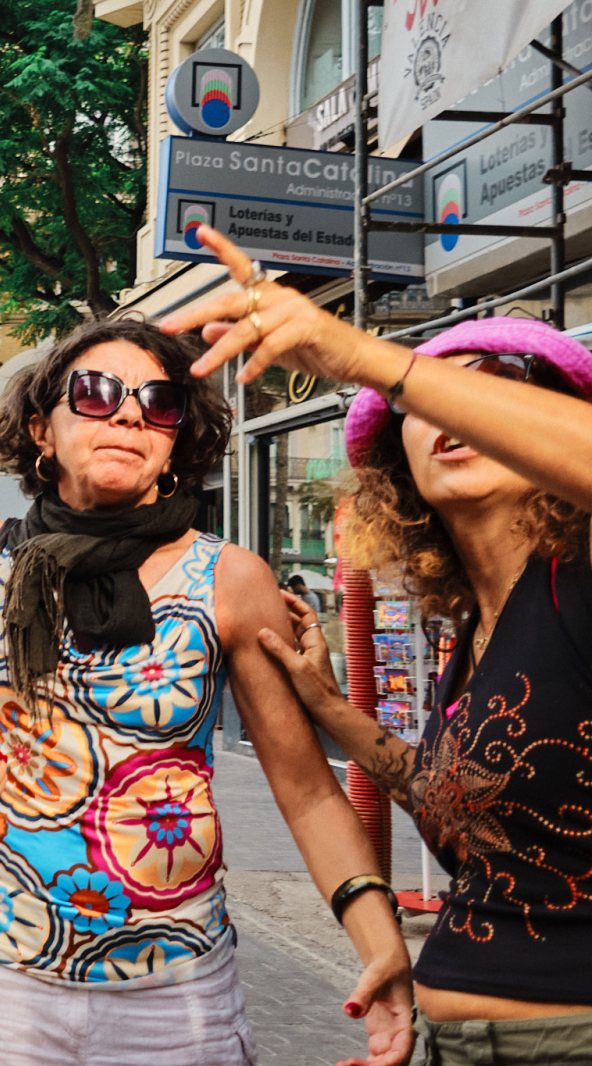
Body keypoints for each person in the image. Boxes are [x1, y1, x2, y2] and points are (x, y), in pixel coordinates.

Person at [0, 316, 412, 1066]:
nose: (130, 412)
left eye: (159, 402)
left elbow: (307, 791)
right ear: (43, 428)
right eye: (97, 391)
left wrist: (383, 949)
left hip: (175, 995)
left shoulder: (230, 578)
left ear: (176, 443)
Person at [162, 224, 592, 1063]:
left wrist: (370, 359)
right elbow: (448, 805)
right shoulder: (475, 630)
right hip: (457, 1040)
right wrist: (326, 705)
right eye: (420, 407)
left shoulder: (576, 578)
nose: (441, 410)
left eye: (491, 386)